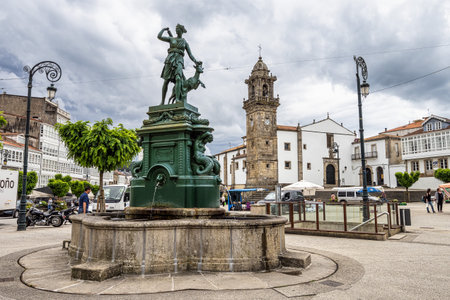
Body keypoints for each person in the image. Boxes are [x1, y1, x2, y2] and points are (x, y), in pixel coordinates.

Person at [158, 24, 198, 105]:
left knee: (179, 79)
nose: (176, 30)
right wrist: (163, 29)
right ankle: (162, 102)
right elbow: (159, 37)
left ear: (182, 31)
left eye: (178, 29)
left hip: (179, 60)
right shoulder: (171, 39)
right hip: (170, 60)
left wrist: (195, 61)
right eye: (176, 29)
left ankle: (177, 99)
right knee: (166, 81)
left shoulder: (184, 42)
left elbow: (190, 55)